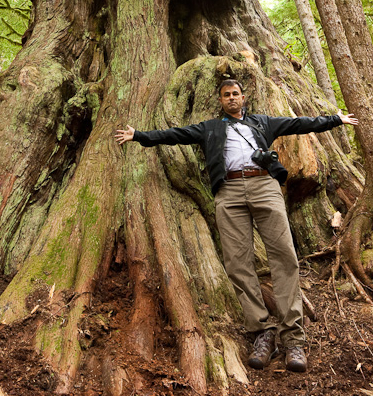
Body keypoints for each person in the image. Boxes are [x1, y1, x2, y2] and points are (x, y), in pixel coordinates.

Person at [115, 78, 358, 373]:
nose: (231, 98)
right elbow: (175, 135)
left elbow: (298, 124)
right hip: (228, 192)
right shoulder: (210, 128)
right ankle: (262, 333)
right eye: (226, 95)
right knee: (237, 262)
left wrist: (335, 119)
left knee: (284, 256)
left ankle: (293, 339)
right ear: (220, 100)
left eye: (236, 94)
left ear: (244, 97)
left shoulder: (262, 122)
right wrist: (138, 135)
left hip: (264, 185)